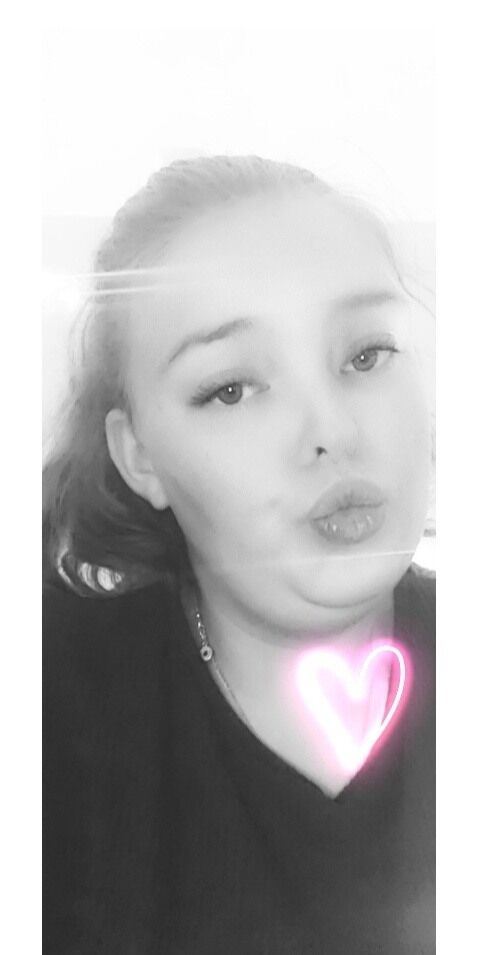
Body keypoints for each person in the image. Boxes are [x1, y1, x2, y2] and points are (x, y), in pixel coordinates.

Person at [43, 155, 435, 954]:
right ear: (139, 456)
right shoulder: (47, 698)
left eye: (367, 354)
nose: (332, 431)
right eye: (230, 388)